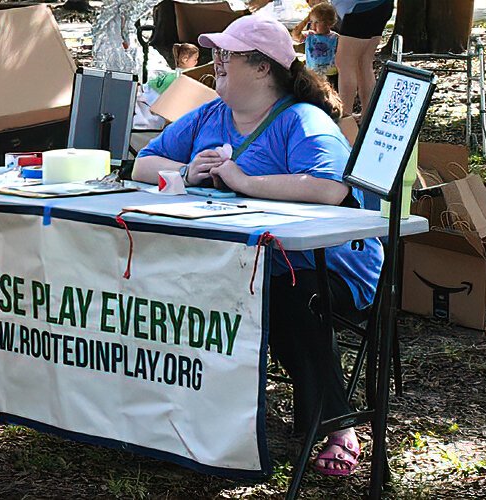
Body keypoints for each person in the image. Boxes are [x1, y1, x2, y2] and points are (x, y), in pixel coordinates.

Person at [131, 15, 380, 477]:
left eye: (228, 55)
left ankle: (335, 423)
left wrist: (246, 181)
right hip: (242, 261)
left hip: (334, 269)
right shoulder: (210, 114)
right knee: (169, 281)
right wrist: (185, 174)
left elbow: (330, 188)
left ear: (264, 68)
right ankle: (184, 417)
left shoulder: (302, 120)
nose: (216, 63)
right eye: (216, 54)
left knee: (284, 293)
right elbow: (142, 163)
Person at [332, 0, 395, 120]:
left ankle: (344, 119)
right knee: (364, 63)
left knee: (345, 63)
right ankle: (368, 116)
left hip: (360, 8)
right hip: (381, 5)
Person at [302, 2, 340, 88]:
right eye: (311, 21)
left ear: (329, 23)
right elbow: (295, 36)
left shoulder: (336, 37)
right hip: (312, 73)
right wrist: (306, 20)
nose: (313, 25)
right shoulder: (309, 35)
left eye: (317, 22)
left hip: (330, 74)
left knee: (330, 95)